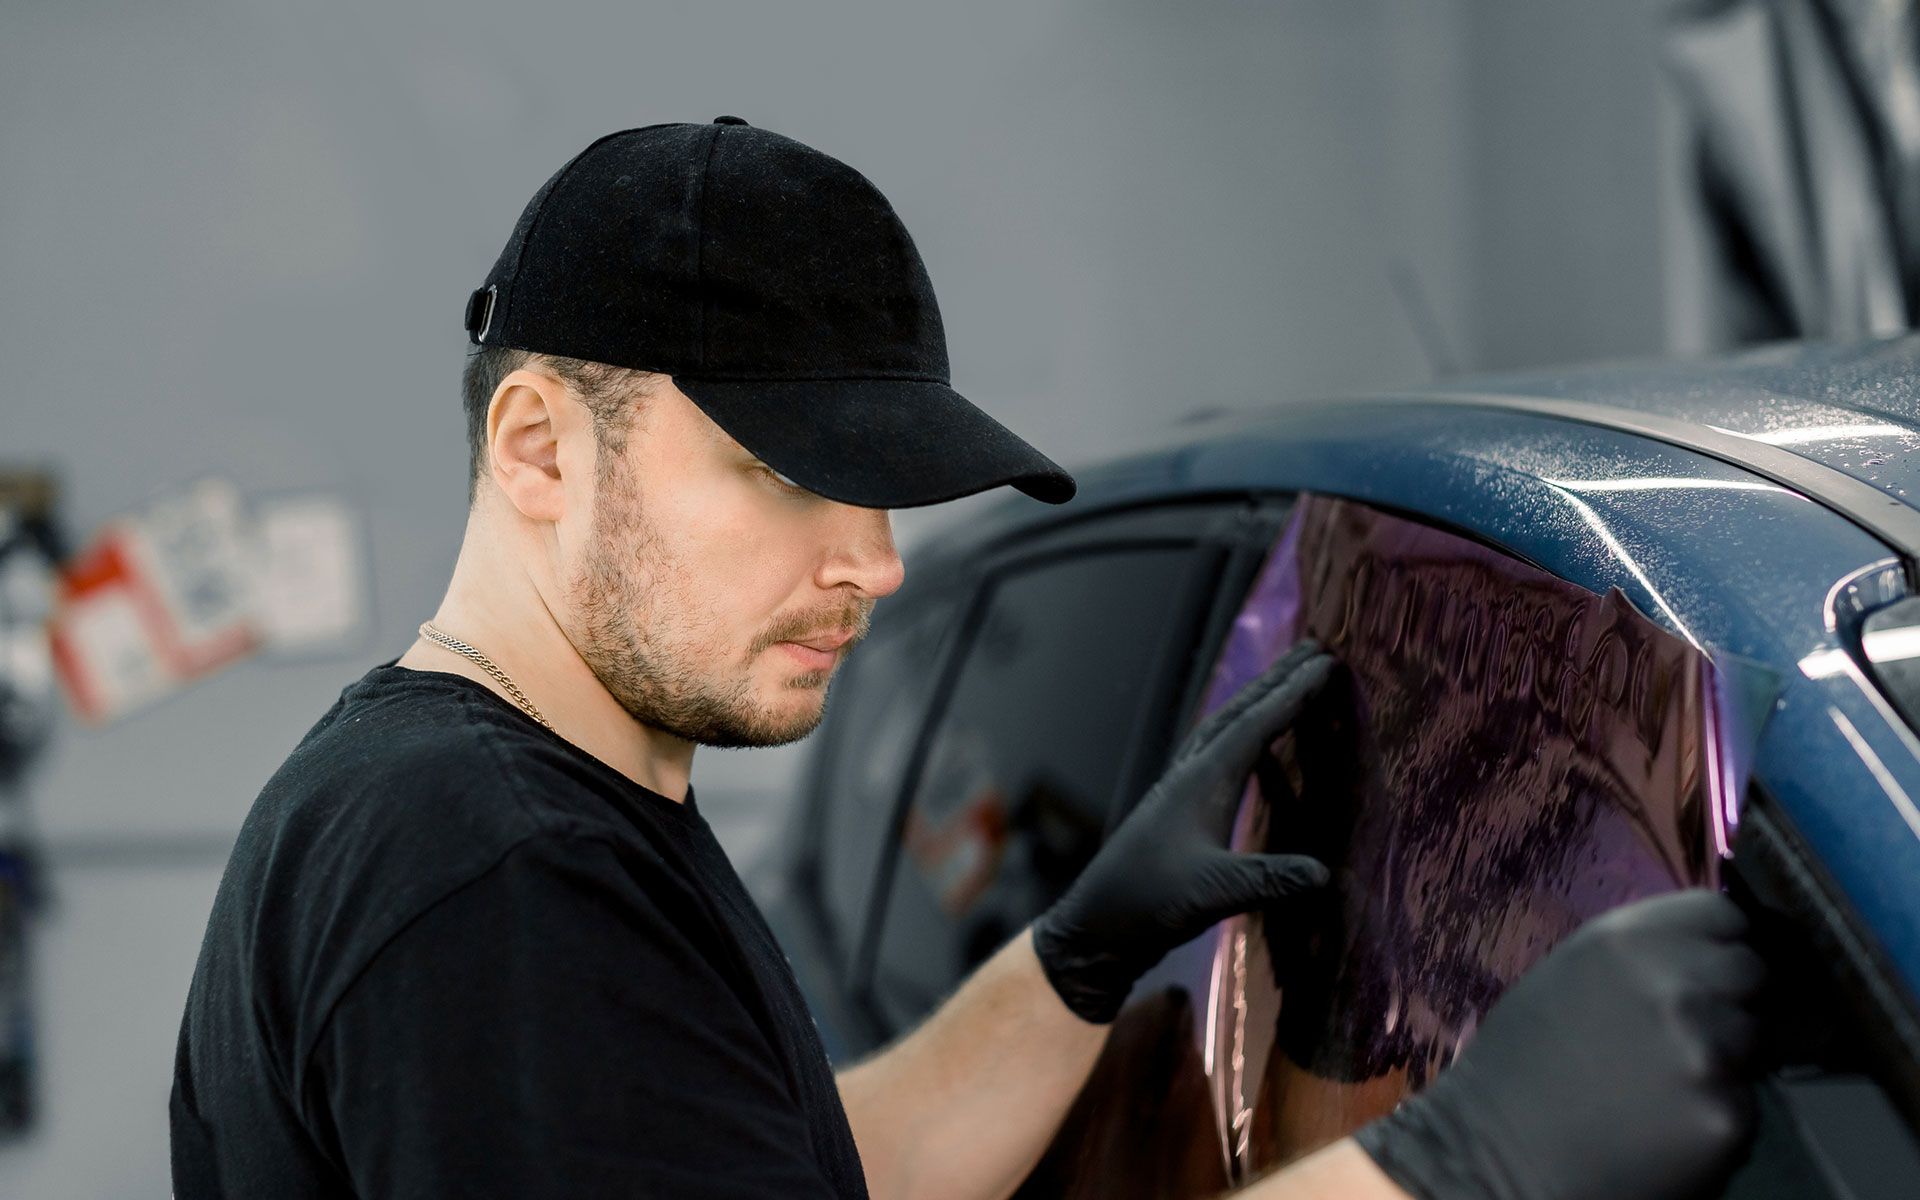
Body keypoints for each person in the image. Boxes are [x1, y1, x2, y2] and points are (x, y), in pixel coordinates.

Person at [170, 118, 1767, 1200]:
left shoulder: (493, 806)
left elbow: (801, 1168)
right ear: (537, 449)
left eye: (882, 485)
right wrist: (1442, 1173)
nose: (871, 559)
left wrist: (1064, 970)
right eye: (788, 473)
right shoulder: (489, 875)